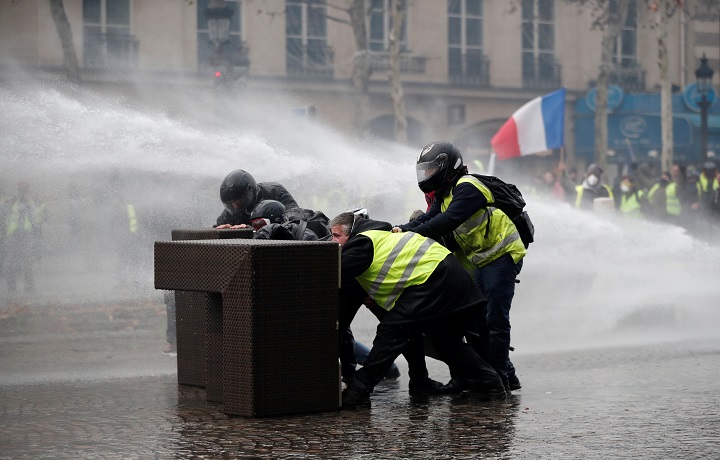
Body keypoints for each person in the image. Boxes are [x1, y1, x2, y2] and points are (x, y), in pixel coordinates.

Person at [331, 211, 506, 408]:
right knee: (446, 342)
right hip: (451, 279)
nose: (333, 241)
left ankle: (358, 390)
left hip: (435, 278)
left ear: (351, 232)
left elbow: (330, 275)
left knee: (392, 332)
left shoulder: (360, 244)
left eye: (337, 236)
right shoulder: (380, 235)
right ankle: (492, 385)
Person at [393, 141, 526, 393]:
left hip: (502, 255)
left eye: (432, 170)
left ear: (447, 166)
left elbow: (447, 220)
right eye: (426, 171)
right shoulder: (444, 195)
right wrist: (398, 230)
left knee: (495, 319)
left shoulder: (468, 186)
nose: (428, 175)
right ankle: (503, 374)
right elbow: (427, 218)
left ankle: (500, 381)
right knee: (477, 321)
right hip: (481, 261)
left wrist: (413, 235)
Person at [215, 169, 299, 229]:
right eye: (231, 205)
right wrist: (223, 232)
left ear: (250, 192)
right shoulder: (232, 212)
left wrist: (250, 229)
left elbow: (297, 218)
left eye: (239, 202)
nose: (235, 207)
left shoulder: (275, 192)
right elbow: (217, 228)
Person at [3, 182, 42, 293]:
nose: (23, 193)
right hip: (13, 235)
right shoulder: (11, 202)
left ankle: (29, 287)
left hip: (25, 235)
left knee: (27, 261)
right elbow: (4, 216)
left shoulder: (29, 203)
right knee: (11, 262)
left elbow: (34, 218)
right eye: (21, 190)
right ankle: (12, 288)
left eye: (24, 190)